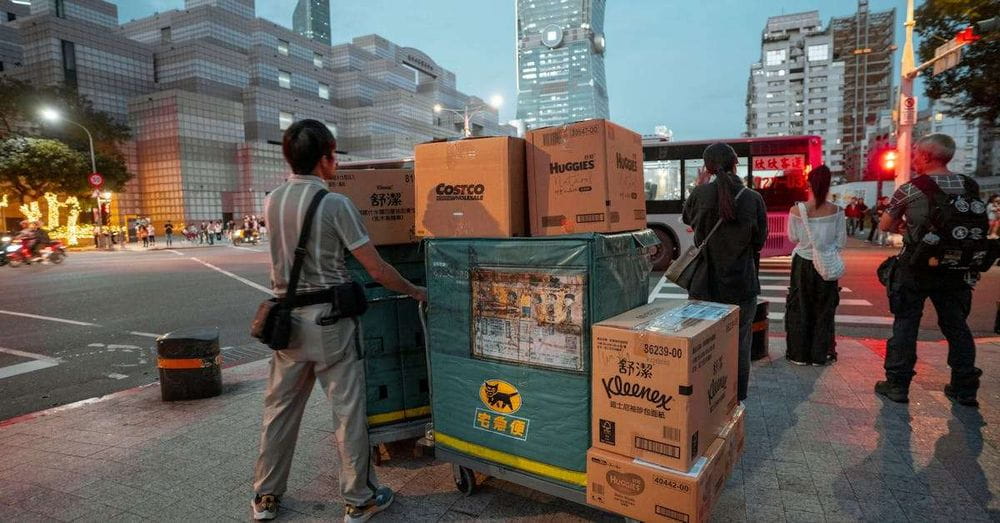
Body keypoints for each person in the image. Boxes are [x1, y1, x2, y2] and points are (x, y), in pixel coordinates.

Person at [252, 119, 426, 522]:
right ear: (326, 157)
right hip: (330, 323)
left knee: (279, 413)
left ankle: (265, 498)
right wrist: (416, 291)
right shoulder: (335, 204)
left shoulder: (271, 201)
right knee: (348, 412)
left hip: (287, 325)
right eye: (334, 155)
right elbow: (377, 269)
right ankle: (359, 498)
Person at [876, 133, 983, 407]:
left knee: (906, 323)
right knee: (956, 325)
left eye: (914, 154)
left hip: (917, 266)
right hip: (956, 266)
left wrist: (907, 227)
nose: (913, 159)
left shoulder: (911, 189)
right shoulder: (970, 186)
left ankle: (898, 384)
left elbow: (885, 225)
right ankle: (965, 387)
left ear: (925, 156)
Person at [682, 143, 768, 402]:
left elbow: (687, 219)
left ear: (707, 168)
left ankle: (704, 403)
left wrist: (700, 185)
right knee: (739, 347)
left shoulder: (700, 194)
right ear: (736, 163)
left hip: (704, 286)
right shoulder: (753, 199)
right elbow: (759, 242)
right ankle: (736, 399)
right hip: (741, 286)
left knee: (702, 347)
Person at [784, 166, 845, 366]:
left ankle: (799, 355)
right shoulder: (837, 211)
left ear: (809, 183)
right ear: (828, 185)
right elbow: (841, 242)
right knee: (824, 309)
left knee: (800, 307)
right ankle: (820, 355)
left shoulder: (796, 210)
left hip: (802, 263)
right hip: (826, 265)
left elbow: (793, 238)